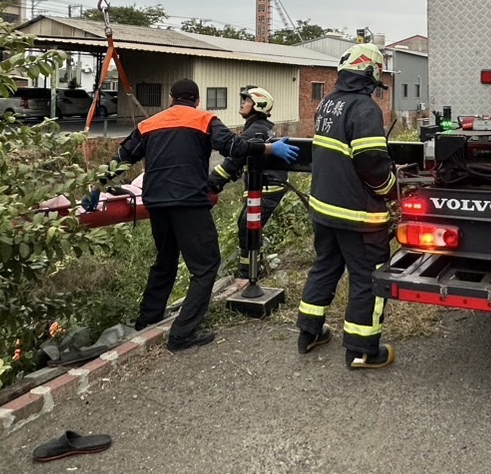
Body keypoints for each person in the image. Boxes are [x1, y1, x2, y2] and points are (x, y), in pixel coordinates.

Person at [97, 78, 300, 350]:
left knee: (164, 261)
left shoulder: (149, 124)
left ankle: (148, 320)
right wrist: (269, 148)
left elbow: (121, 158)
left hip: (156, 203)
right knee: (205, 268)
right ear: (196, 101)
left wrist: (94, 188)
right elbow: (235, 148)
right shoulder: (204, 120)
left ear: (170, 99)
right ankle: (182, 333)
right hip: (189, 203)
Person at [296, 43, 399, 369]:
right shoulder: (365, 109)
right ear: (371, 75)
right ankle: (362, 350)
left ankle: (309, 332)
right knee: (368, 277)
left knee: (325, 266)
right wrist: (390, 189)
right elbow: (371, 161)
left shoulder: (328, 103)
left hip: (324, 208)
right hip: (357, 214)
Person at [208, 86, 288, 276]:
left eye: (247, 100)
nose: (242, 103)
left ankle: (249, 271)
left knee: (247, 227)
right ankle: (251, 267)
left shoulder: (255, 129)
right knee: (247, 226)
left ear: (258, 105)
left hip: (266, 187)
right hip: (267, 185)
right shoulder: (260, 127)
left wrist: (211, 184)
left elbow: (233, 161)